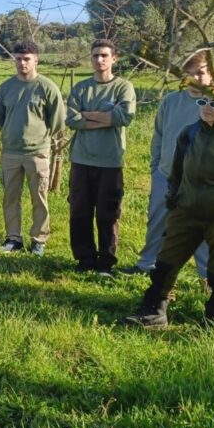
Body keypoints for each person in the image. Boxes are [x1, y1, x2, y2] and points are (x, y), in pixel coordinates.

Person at [121, 97, 214, 327]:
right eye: (202, 101)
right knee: (166, 262)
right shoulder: (188, 134)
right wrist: (174, 201)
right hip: (185, 213)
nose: (207, 107)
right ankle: (154, 311)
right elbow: (176, 173)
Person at [121, 51, 214, 280]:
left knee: (202, 228)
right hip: (166, 175)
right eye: (188, 73)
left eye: (200, 72)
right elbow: (159, 135)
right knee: (157, 221)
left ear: (211, 73)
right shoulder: (171, 101)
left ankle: (207, 276)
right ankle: (147, 264)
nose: (194, 78)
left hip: (204, 183)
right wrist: (156, 166)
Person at [65, 40, 136, 275]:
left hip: (110, 160)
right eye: (95, 55)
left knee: (108, 213)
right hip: (81, 159)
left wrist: (86, 116)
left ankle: (106, 262)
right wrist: (105, 117)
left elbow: (123, 117)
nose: (99, 60)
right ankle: (84, 259)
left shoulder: (123, 87)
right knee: (79, 211)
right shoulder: (81, 88)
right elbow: (72, 120)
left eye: (104, 55)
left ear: (114, 58)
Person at [0, 41, 66, 255]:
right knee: (10, 197)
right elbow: (0, 118)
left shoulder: (47, 87)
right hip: (11, 152)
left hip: (38, 152)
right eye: (18, 58)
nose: (22, 63)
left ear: (36, 60)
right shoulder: (5, 88)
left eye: (27, 59)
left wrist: (41, 138)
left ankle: (38, 239)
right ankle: (13, 238)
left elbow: (58, 120)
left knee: (39, 198)